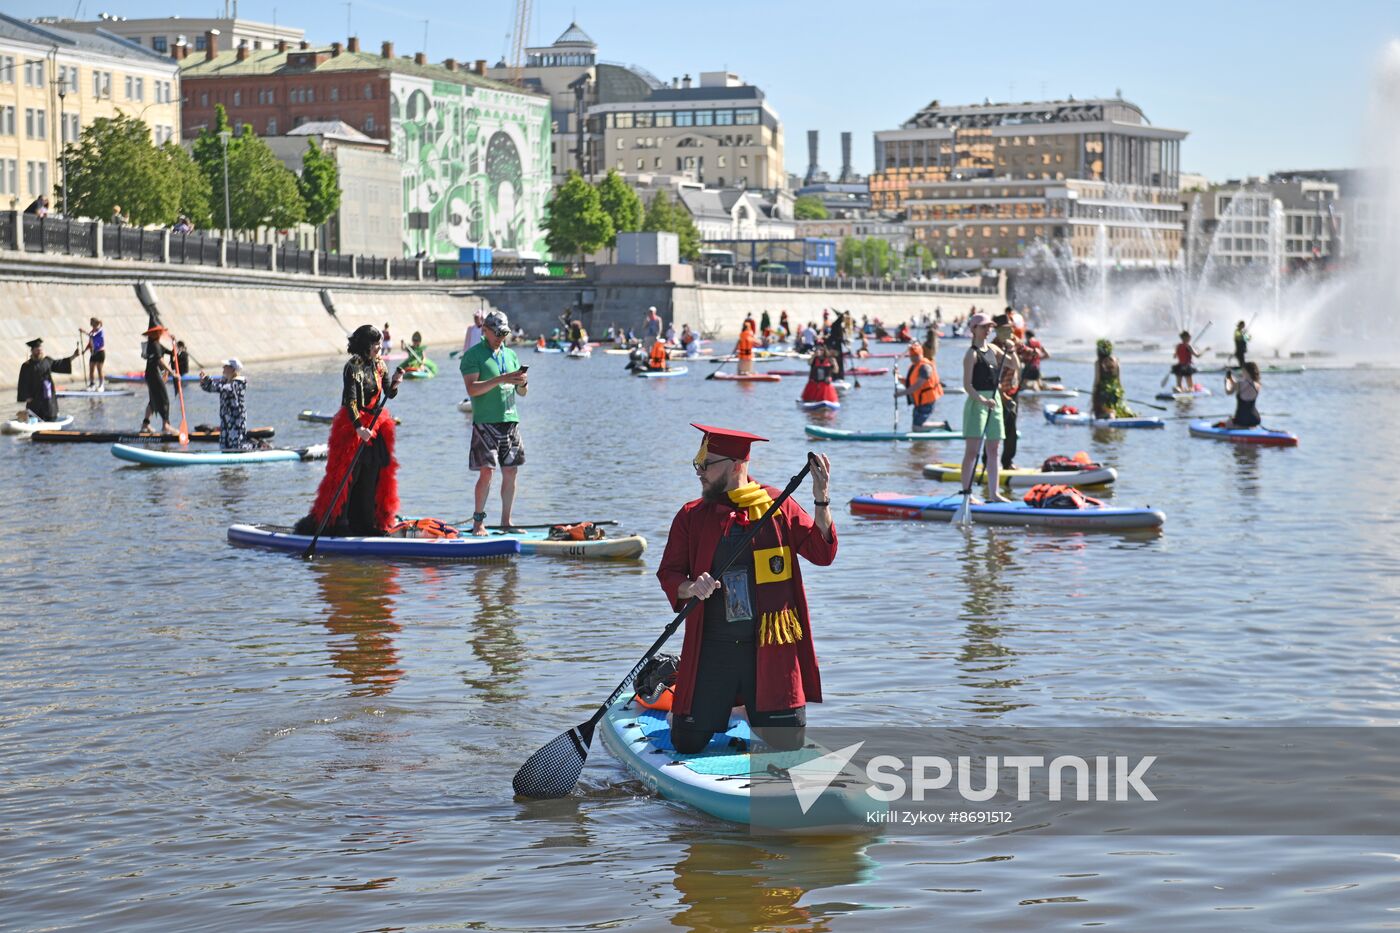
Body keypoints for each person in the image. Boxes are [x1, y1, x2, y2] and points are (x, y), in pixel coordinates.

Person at [656, 424, 836, 754]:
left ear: (737, 464)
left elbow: (822, 553)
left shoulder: (777, 505)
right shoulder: (692, 516)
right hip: (714, 650)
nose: (699, 473)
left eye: (706, 464)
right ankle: (707, 709)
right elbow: (668, 574)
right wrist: (691, 587)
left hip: (769, 652)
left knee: (788, 744)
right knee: (687, 742)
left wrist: (821, 499)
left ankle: (741, 710)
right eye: (697, 464)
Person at [295, 325, 404, 536]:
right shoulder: (352, 367)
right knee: (348, 476)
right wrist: (359, 428)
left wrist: (396, 385)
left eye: (380, 344)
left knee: (372, 475)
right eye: (375, 344)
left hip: (376, 426)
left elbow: (388, 394)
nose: (379, 348)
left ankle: (367, 522)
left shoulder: (380, 364)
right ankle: (340, 522)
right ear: (365, 345)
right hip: (354, 426)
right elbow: (350, 401)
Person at [460, 310, 528, 536]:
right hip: (485, 422)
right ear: (485, 330)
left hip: (510, 421)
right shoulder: (473, 356)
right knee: (487, 472)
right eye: (496, 333)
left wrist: (521, 383)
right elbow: (472, 389)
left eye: (503, 334)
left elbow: (523, 393)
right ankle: (478, 522)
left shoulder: (511, 355)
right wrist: (502, 379)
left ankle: (506, 522)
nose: (500, 338)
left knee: (511, 472)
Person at [958, 313, 1009, 502]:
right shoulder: (970, 354)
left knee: (994, 450)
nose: (987, 330)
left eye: (989, 327)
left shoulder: (994, 348)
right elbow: (967, 386)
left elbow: (1013, 364)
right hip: (977, 402)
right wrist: (982, 401)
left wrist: (1011, 349)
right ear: (973, 329)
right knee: (972, 451)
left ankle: (994, 493)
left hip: (994, 401)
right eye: (983, 327)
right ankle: (967, 494)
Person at [199, 358, 258, 451]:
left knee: (236, 446)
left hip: (236, 418)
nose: (223, 367)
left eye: (226, 366)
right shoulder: (224, 381)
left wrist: (208, 380)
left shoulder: (240, 382)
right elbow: (211, 388)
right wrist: (203, 382)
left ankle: (256, 446)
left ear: (232, 369)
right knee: (224, 444)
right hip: (225, 417)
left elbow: (226, 388)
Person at [16, 338, 78, 423]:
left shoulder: (47, 361)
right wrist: (26, 397)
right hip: (34, 398)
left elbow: (59, 364)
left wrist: (73, 356)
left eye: (41, 350)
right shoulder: (26, 366)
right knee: (34, 416)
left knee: (50, 414)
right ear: (32, 351)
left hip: (48, 398)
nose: (40, 352)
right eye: (37, 350)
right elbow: (22, 382)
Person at [895, 342, 943, 431]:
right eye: (912, 356)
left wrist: (901, 394)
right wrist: (898, 377)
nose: (913, 358)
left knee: (916, 427)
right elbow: (909, 384)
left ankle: (942, 425)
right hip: (919, 401)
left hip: (927, 400)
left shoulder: (925, 367)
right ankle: (924, 439)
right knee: (916, 427)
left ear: (920, 355)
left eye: (915, 356)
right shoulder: (914, 366)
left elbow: (917, 385)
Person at [995, 327, 1024, 470]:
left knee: (1011, 429)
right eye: (1005, 331)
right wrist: (1002, 395)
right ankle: (988, 462)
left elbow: (1031, 355)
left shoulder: (1014, 343)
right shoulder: (994, 348)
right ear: (998, 332)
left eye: (1010, 330)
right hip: (999, 394)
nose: (1009, 334)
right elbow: (995, 376)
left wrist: (1035, 351)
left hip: (1013, 392)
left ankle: (1007, 462)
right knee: (995, 429)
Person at [139, 325, 175, 434]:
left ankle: (145, 425)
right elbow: (160, 361)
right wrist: (172, 373)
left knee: (153, 401)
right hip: (153, 375)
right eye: (157, 332)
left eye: (160, 332)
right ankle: (166, 425)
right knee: (164, 399)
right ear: (152, 334)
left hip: (151, 375)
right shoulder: (154, 345)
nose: (159, 334)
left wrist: (173, 342)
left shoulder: (156, 345)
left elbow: (172, 353)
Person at [1092, 339, 1134, 419]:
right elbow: (1119, 380)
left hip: (1103, 393)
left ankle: (1110, 415)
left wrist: (1094, 395)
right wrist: (1121, 395)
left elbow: (1097, 380)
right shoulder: (1116, 361)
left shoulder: (1098, 362)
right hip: (1115, 392)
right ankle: (1113, 414)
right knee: (1116, 409)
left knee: (1100, 414)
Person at [1224, 362, 1262, 429]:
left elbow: (1228, 392)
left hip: (1241, 419)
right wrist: (1231, 380)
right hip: (1255, 419)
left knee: (1228, 423)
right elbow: (1247, 385)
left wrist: (1227, 381)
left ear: (1246, 371)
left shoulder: (1239, 384)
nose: (1242, 372)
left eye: (1243, 370)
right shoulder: (1258, 385)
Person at [83, 317, 106, 389]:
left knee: (99, 369)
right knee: (91, 369)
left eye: (91, 322)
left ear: (95, 323)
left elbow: (93, 336)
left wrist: (83, 331)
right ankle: (92, 384)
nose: (90, 323)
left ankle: (101, 385)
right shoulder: (91, 331)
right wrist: (85, 350)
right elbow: (90, 343)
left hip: (100, 352)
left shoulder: (100, 330)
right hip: (93, 353)